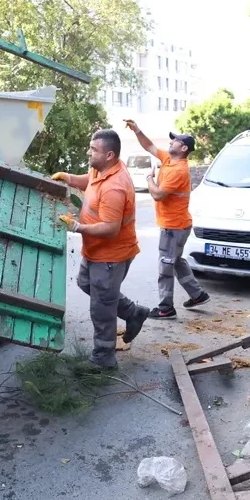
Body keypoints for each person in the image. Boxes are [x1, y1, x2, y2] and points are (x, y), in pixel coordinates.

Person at [51, 129, 151, 368]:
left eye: (93, 149)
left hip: (111, 256)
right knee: (85, 284)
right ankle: (132, 312)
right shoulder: (101, 168)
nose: (89, 152)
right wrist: (69, 178)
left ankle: (104, 359)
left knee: (101, 309)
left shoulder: (115, 187)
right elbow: (89, 180)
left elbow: (110, 228)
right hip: (94, 251)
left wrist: (77, 227)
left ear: (109, 154)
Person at [123, 120, 210, 319]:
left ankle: (165, 308)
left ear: (184, 148)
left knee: (165, 266)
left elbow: (158, 195)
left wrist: (149, 178)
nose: (171, 143)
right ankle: (198, 295)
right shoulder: (169, 160)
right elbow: (149, 146)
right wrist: (138, 130)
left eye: (176, 141)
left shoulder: (178, 170)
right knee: (176, 261)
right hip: (178, 226)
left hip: (174, 228)